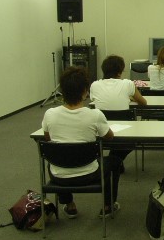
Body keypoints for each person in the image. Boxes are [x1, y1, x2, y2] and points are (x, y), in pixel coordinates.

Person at [42, 66, 121, 218]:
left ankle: (69, 205)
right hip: (89, 174)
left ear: (63, 91)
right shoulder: (95, 115)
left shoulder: (50, 114)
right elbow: (109, 137)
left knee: (54, 158)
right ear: (85, 91)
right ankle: (108, 205)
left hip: (59, 177)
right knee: (115, 162)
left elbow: (48, 138)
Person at [90, 55, 147, 170]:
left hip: (103, 130)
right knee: (130, 142)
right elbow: (143, 102)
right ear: (119, 72)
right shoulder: (127, 84)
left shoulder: (94, 85)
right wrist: (130, 97)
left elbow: (93, 101)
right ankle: (115, 160)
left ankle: (113, 161)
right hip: (126, 130)